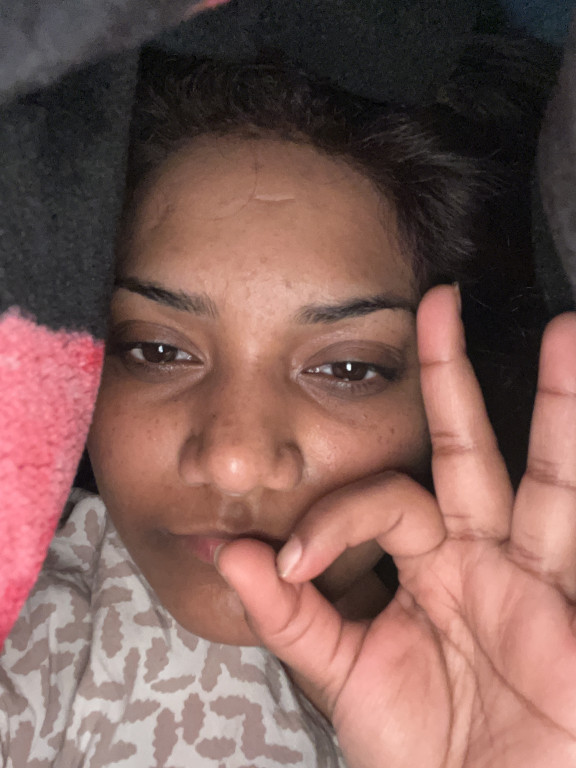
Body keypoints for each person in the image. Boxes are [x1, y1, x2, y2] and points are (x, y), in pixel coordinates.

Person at [2, 52, 575, 767]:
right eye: (157, 350)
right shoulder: (32, 636)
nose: (234, 461)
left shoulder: (552, 684)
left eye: (345, 369)